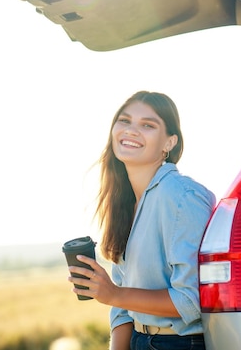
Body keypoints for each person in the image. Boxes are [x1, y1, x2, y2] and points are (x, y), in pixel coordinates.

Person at [67, 90, 216, 350]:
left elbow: (191, 302)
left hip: (179, 344)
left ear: (169, 143)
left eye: (148, 125)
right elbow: (123, 309)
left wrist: (114, 294)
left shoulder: (181, 196)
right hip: (140, 341)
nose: (132, 130)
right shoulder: (126, 203)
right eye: (125, 121)